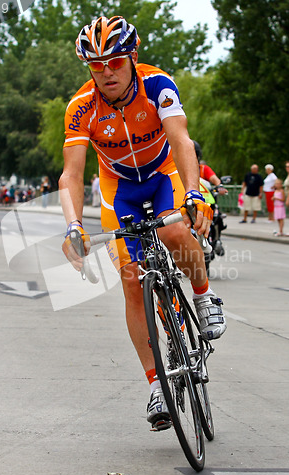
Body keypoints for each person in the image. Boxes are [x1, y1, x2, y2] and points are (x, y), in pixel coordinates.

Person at [59, 16, 226, 430]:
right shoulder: (81, 108)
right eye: (96, 65)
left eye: (114, 61)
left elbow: (181, 140)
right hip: (121, 191)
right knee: (133, 283)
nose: (106, 72)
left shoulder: (157, 85)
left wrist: (194, 192)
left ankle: (204, 296)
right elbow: (71, 175)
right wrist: (73, 225)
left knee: (172, 230)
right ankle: (156, 385)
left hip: (162, 175)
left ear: (131, 57)